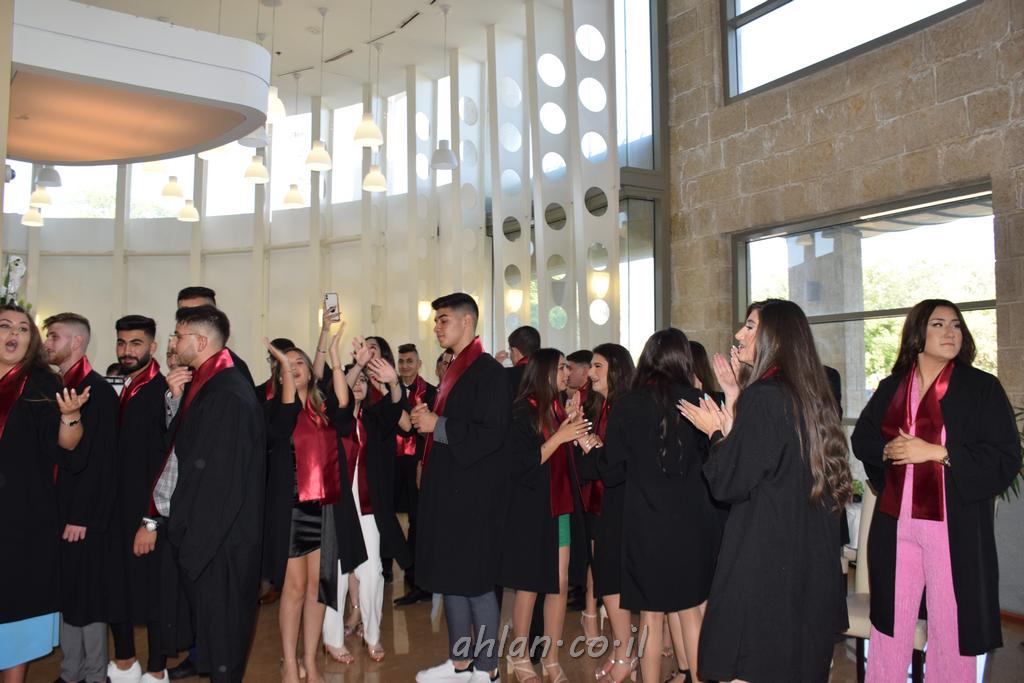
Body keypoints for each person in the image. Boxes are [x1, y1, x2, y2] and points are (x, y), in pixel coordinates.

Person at [680, 299, 851, 682]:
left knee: (750, 665)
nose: (738, 334)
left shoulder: (765, 396)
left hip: (766, 561)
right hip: (808, 560)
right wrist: (734, 398)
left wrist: (715, 434)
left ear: (776, 336)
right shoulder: (813, 394)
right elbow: (773, 463)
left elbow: (729, 482)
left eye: (750, 326)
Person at [851, 299, 1019, 680]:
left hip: (952, 531)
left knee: (951, 629)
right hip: (897, 526)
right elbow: (863, 438)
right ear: (918, 334)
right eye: (939, 324)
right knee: (889, 626)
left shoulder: (982, 388)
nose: (950, 332)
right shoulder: (893, 387)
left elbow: (1006, 456)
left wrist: (937, 452)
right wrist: (887, 450)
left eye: (956, 325)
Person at [600, 329, 715, 683]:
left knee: (650, 615)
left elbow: (611, 471)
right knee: (690, 611)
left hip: (645, 521)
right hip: (692, 522)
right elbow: (715, 460)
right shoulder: (701, 401)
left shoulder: (628, 404)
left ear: (647, 359)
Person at [162, 305, 266, 682]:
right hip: (208, 538)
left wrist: (194, 543)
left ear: (201, 342)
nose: (173, 344)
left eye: (178, 337)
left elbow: (222, 482)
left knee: (224, 640)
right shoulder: (208, 383)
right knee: (213, 637)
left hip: (220, 543)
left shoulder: (228, 392)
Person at [412, 293, 509, 683]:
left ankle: (488, 669)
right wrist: (429, 420)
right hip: (448, 494)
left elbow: (493, 434)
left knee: (476, 583)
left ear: (467, 322)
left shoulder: (489, 372)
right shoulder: (455, 369)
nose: (437, 327)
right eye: (436, 320)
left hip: (474, 497)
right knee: (450, 578)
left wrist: (438, 425)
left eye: (444, 319)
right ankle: (460, 663)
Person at [263, 328, 367, 681]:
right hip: (291, 510)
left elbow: (344, 409)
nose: (293, 368)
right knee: (293, 589)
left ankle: (309, 658)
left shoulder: (323, 410)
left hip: (325, 509)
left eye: (298, 363)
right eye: (285, 365)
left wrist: (336, 358)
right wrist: (284, 369)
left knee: (318, 588)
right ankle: (290, 662)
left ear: (310, 371)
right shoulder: (275, 410)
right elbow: (282, 423)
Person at [0, 303, 91, 683]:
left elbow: (66, 447)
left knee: (14, 617)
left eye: (23, 329)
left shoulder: (41, 383)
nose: (14, 334)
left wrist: (70, 416)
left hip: (22, 521)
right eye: (5, 326)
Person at [501, 349, 590, 682]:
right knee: (529, 584)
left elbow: (571, 460)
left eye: (567, 367)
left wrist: (573, 428)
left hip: (561, 507)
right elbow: (520, 465)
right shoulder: (522, 410)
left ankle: (551, 658)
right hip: (531, 509)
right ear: (544, 372)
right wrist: (560, 436)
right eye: (561, 367)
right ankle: (520, 654)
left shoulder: (557, 408)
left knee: (560, 584)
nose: (567, 372)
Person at [43, 313, 123, 683]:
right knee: (69, 595)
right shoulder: (57, 385)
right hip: (59, 512)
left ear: (77, 342)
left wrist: (82, 515)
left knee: (88, 598)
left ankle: (93, 675)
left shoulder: (97, 390)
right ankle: (70, 672)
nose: (47, 343)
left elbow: (103, 462)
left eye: (54, 337)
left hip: (84, 517)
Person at [322, 340, 409, 663]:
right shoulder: (336, 419)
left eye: (362, 380)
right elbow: (337, 397)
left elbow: (397, 409)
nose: (358, 384)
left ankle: (373, 634)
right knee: (337, 572)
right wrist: (357, 365)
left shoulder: (373, 418)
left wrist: (393, 382)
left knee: (372, 572)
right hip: (338, 507)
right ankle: (332, 639)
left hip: (370, 508)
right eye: (353, 379)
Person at [105, 316, 174, 683]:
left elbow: (167, 461)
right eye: (121, 343)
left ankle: (157, 669)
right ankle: (124, 661)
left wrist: (151, 520)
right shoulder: (116, 387)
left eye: (135, 343)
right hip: (113, 512)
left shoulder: (164, 391)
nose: (127, 351)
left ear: (152, 346)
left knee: (155, 594)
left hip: (149, 514)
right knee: (116, 587)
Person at [576, 343, 636, 682]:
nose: (591, 372)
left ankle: (626, 653)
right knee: (606, 578)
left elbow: (615, 462)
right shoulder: (603, 405)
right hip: (601, 501)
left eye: (598, 366)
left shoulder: (623, 406)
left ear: (616, 369)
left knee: (611, 580)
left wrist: (591, 448)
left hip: (618, 501)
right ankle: (620, 649)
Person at [394, 343, 438, 607]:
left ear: (419, 364)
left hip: (417, 463)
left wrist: (423, 463)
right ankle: (388, 569)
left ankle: (418, 581)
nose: (405, 366)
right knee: (385, 516)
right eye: (401, 361)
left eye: (410, 361)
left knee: (417, 521)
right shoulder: (391, 390)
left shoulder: (431, 392)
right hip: (392, 462)